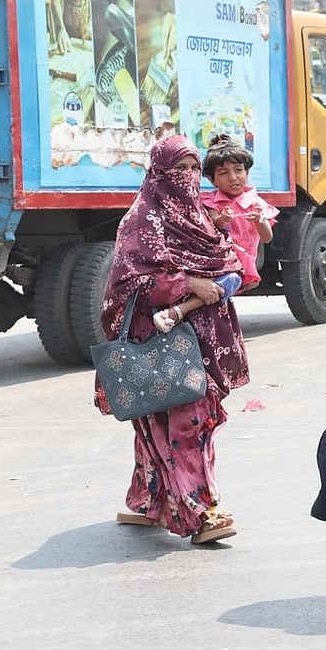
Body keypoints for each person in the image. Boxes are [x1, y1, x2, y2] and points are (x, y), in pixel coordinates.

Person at [96, 134, 250, 545]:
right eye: (177, 169)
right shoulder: (143, 219)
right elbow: (134, 279)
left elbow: (227, 256)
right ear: (158, 172)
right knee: (184, 421)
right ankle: (198, 510)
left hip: (202, 335)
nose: (187, 177)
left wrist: (221, 276)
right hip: (163, 339)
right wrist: (190, 283)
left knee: (168, 422)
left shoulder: (199, 214)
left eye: (193, 169)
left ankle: (151, 500)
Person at [152, 135, 278, 332]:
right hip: (214, 261)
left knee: (228, 284)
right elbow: (212, 225)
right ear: (211, 179)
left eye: (239, 170)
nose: (233, 177)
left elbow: (267, 237)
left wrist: (260, 221)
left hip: (239, 266)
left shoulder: (257, 204)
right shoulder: (210, 201)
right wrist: (222, 219)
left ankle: (178, 312)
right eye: (224, 173)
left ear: (247, 172)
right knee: (217, 293)